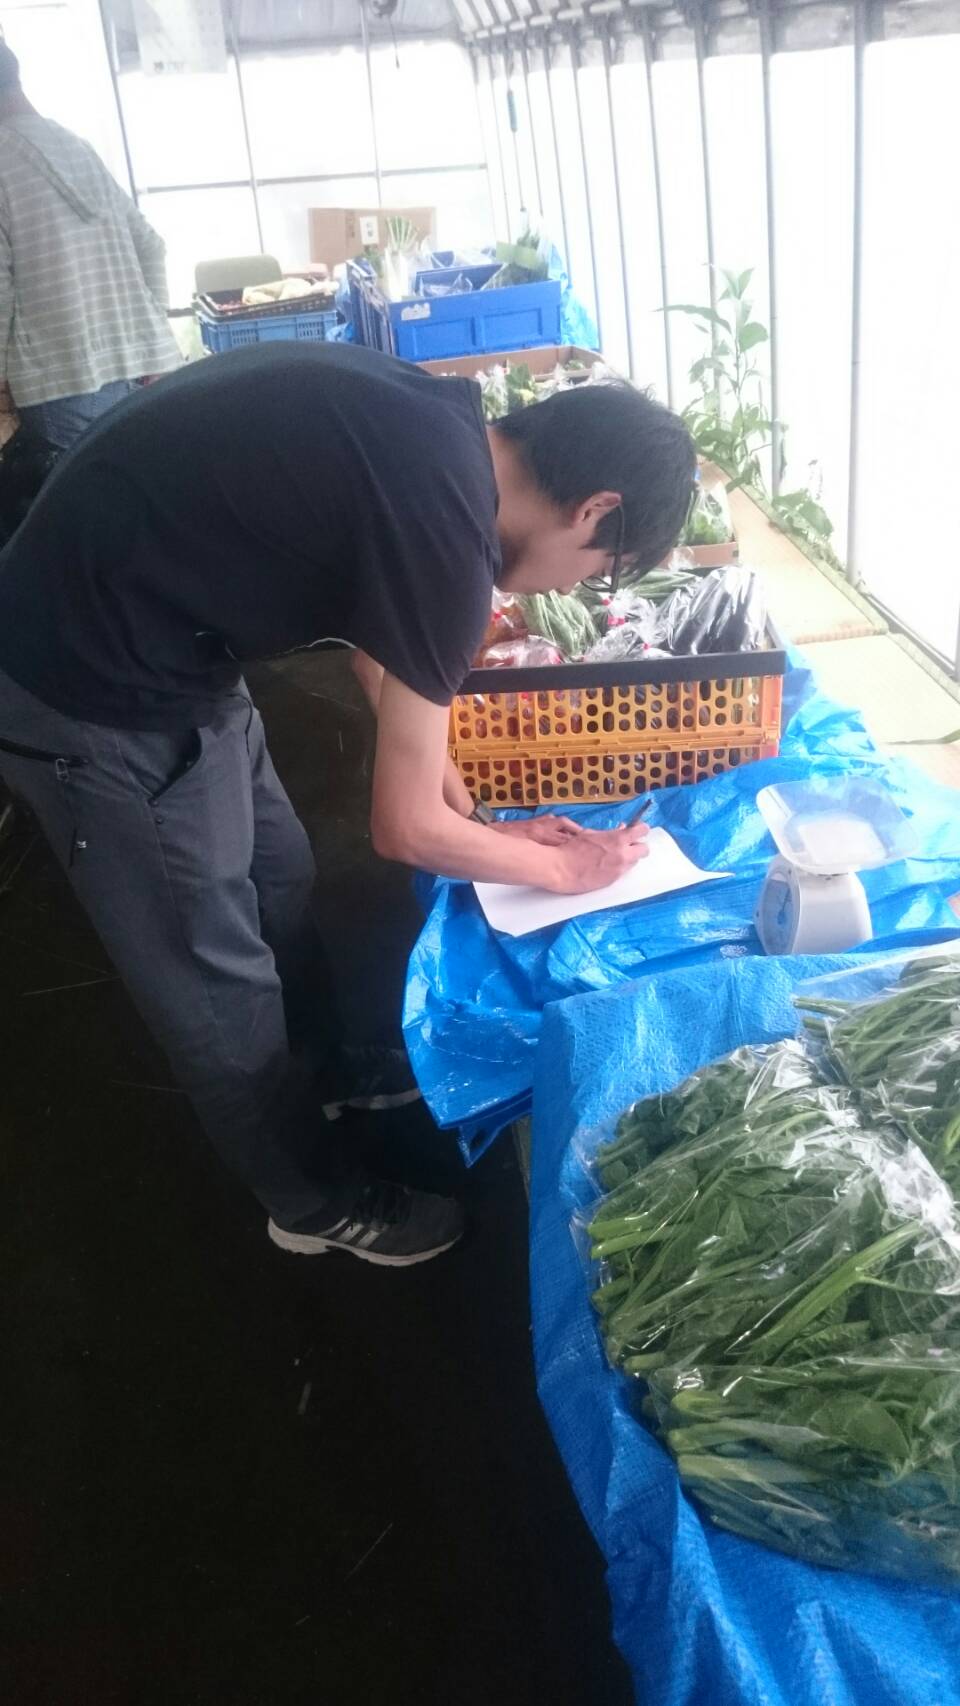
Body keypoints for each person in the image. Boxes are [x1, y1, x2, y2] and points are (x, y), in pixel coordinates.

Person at [0, 341, 696, 1266]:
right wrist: (561, 868)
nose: (574, 587)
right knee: (212, 971)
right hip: (90, 680)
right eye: (599, 568)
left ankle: (323, 1065)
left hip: (171, 634)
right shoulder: (448, 530)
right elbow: (401, 829)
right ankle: (312, 1199)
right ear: (594, 508)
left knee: (278, 871)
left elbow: (382, 649)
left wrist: (482, 825)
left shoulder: (442, 436)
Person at [0, 40, 180, 453]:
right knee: (138, 482)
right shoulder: (78, 147)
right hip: (141, 373)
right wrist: (150, 335)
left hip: (60, 384)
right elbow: (151, 246)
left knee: (82, 492)